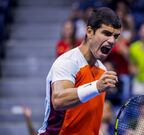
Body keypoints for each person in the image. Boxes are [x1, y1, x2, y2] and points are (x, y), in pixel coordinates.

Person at [38, 7, 121, 135]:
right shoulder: (68, 62)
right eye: (107, 33)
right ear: (90, 32)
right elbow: (59, 101)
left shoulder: (102, 70)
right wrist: (97, 86)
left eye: (116, 36)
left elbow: (88, 116)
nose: (112, 40)